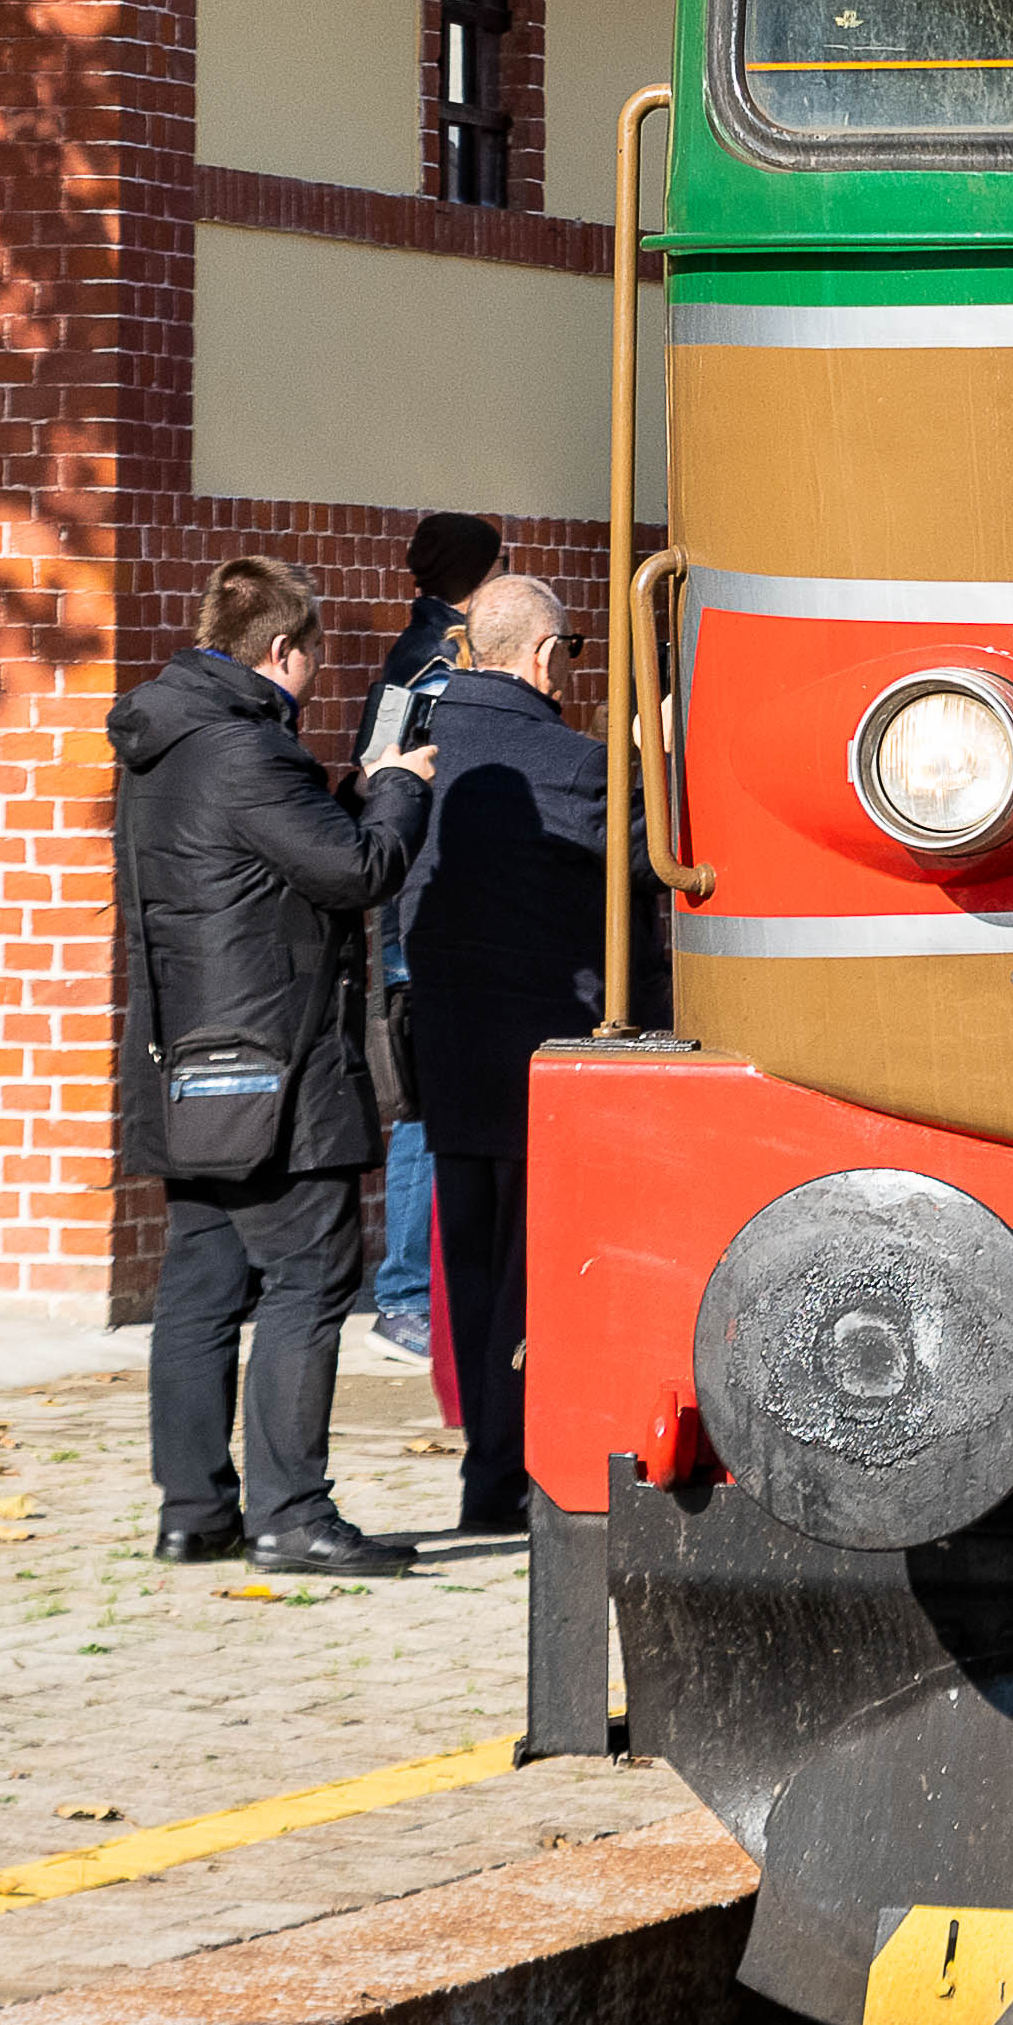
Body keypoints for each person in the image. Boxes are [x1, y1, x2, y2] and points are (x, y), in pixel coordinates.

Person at [110, 557, 416, 1582]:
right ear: (284, 652)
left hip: (190, 1062)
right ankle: (293, 1513)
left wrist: (341, 796)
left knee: (199, 1285)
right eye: (314, 658)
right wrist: (397, 797)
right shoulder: (248, 753)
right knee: (308, 1277)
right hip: (278, 1068)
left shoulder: (164, 742)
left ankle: (193, 1511)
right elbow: (357, 872)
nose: (316, 678)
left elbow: (256, 864)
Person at [363, 565, 638, 1549]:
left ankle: (485, 1474)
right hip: (545, 1060)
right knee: (531, 1281)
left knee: (472, 1270)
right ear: (546, 655)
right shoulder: (579, 765)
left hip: (445, 1049)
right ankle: (509, 1471)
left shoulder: (414, 752)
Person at [350, 510, 503, 1362]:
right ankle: (406, 1294)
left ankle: (416, 1290)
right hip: (435, 904)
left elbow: (369, 768)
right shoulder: (448, 663)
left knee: (426, 1104)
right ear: (478, 578)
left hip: (409, 895)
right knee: (427, 1109)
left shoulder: (405, 658)